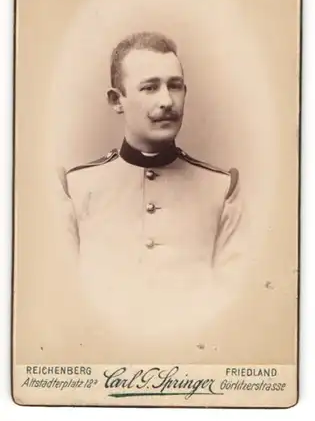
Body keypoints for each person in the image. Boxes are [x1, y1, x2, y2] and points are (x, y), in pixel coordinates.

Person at [63, 31, 243, 272]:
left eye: (175, 86)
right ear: (116, 100)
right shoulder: (76, 189)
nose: (167, 101)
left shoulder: (221, 191)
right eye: (150, 88)